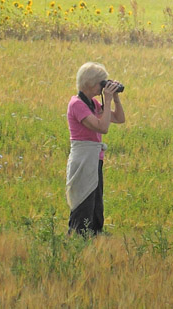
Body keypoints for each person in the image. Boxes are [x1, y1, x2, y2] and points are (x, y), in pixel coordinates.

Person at [65, 62, 125, 236]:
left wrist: (115, 98)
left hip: (95, 158)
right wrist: (106, 100)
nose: (103, 87)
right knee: (84, 200)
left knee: (96, 203)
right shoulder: (77, 104)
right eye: (102, 83)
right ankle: (79, 237)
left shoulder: (93, 104)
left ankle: (95, 235)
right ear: (91, 83)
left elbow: (119, 119)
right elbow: (102, 127)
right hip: (83, 159)